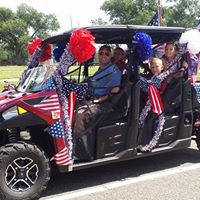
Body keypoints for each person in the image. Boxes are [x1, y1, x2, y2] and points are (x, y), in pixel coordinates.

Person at [73, 45, 122, 161]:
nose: (103, 56)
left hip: (106, 103)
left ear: (111, 56)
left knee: (81, 114)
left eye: (106, 53)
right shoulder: (101, 70)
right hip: (92, 99)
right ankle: (71, 144)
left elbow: (115, 90)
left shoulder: (114, 71)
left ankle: (83, 153)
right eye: (101, 53)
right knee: (69, 108)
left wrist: (98, 100)